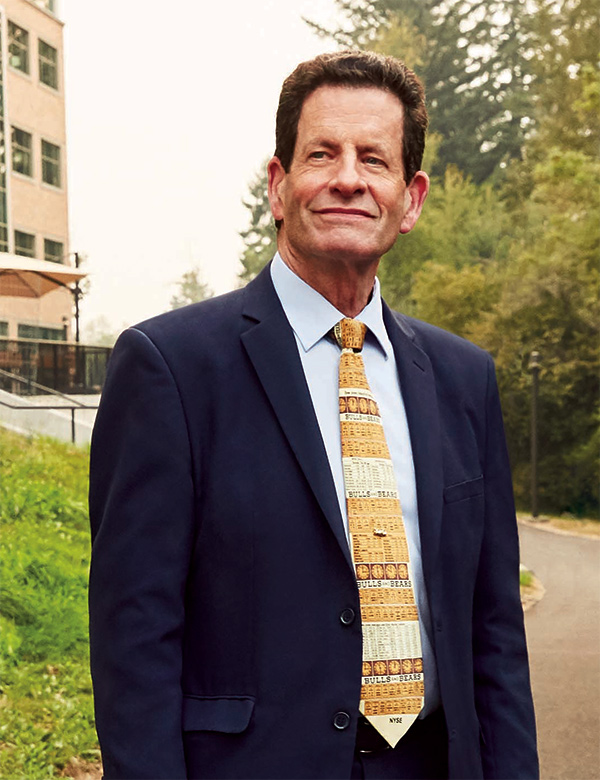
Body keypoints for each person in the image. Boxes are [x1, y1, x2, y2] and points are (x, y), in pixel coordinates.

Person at [88, 50, 539, 780]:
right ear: (279, 184)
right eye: (321, 153)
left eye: (374, 159)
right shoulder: (169, 368)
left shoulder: (464, 378)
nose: (348, 179)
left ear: (411, 198)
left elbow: (495, 632)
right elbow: (133, 637)